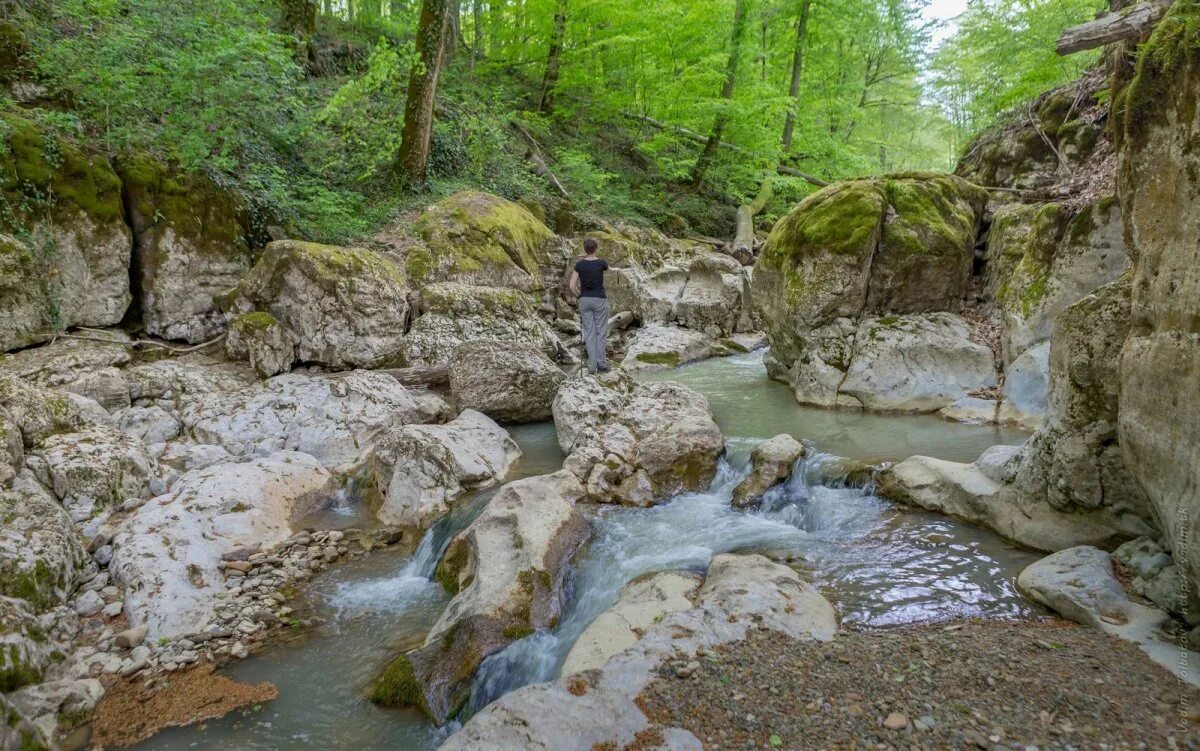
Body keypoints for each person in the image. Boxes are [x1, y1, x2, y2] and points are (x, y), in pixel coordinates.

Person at [569, 238, 610, 373]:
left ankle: (592, 367)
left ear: (584, 249)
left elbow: (571, 286)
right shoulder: (601, 263)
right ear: (596, 248)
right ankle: (602, 364)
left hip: (584, 300)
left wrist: (579, 295)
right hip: (599, 299)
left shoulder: (579, 265)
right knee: (601, 333)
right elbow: (610, 268)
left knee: (590, 333)